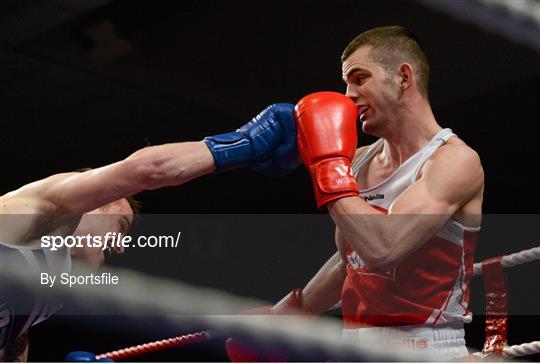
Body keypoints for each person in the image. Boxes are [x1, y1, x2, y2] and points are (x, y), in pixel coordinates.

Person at [228, 26, 484, 361]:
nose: (348, 95)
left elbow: (383, 247)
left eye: (359, 79)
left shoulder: (454, 162)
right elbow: (350, 258)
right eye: (346, 83)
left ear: (403, 77)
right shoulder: (359, 161)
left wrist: (327, 169)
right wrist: (291, 313)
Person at [0, 103, 300, 361]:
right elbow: (145, 171)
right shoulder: (37, 205)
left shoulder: (46, 293)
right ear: (101, 203)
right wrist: (245, 142)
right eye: (122, 226)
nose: (119, 247)